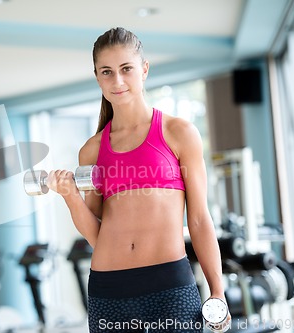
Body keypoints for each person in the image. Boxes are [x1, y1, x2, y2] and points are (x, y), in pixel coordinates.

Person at [47, 27, 231, 332]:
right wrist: (69, 196)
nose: (117, 81)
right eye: (107, 72)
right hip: (108, 288)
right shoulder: (91, 150)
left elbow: (199, 220)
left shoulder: (178, 133)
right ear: (97, 77)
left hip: (169, 286)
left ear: (143, 70)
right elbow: (96, 234)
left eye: (126, 69)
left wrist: (217, 291)